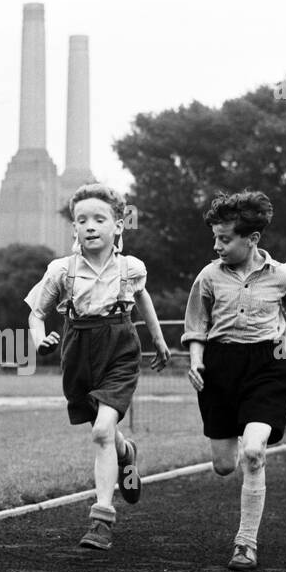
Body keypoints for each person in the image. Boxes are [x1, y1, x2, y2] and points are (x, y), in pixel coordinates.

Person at [181, 190, 286, 571]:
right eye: (214, 238)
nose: (217, 246)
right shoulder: (208, 276)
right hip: (219, 367)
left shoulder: (284, 275)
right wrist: (196, 361)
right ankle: (238, 451)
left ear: (252, 239)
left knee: (254, 452)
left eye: (224, 239)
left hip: (268, 365)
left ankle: (245, 543)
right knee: (225, 465)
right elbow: (197, 324)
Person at [24, 183, 170, 550]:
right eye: (81, 220)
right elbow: (36, 313)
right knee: (104, 431)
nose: (90, 226)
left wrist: (159, 340)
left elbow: (142, 299)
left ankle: (101, 519)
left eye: (99, 219)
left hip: (119, 347)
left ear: (118, 226)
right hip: (77, 352)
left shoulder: (130, 267)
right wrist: (39, 339)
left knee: (102, 430)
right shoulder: (61, 270)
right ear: (74, 229)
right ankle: (127, 453)